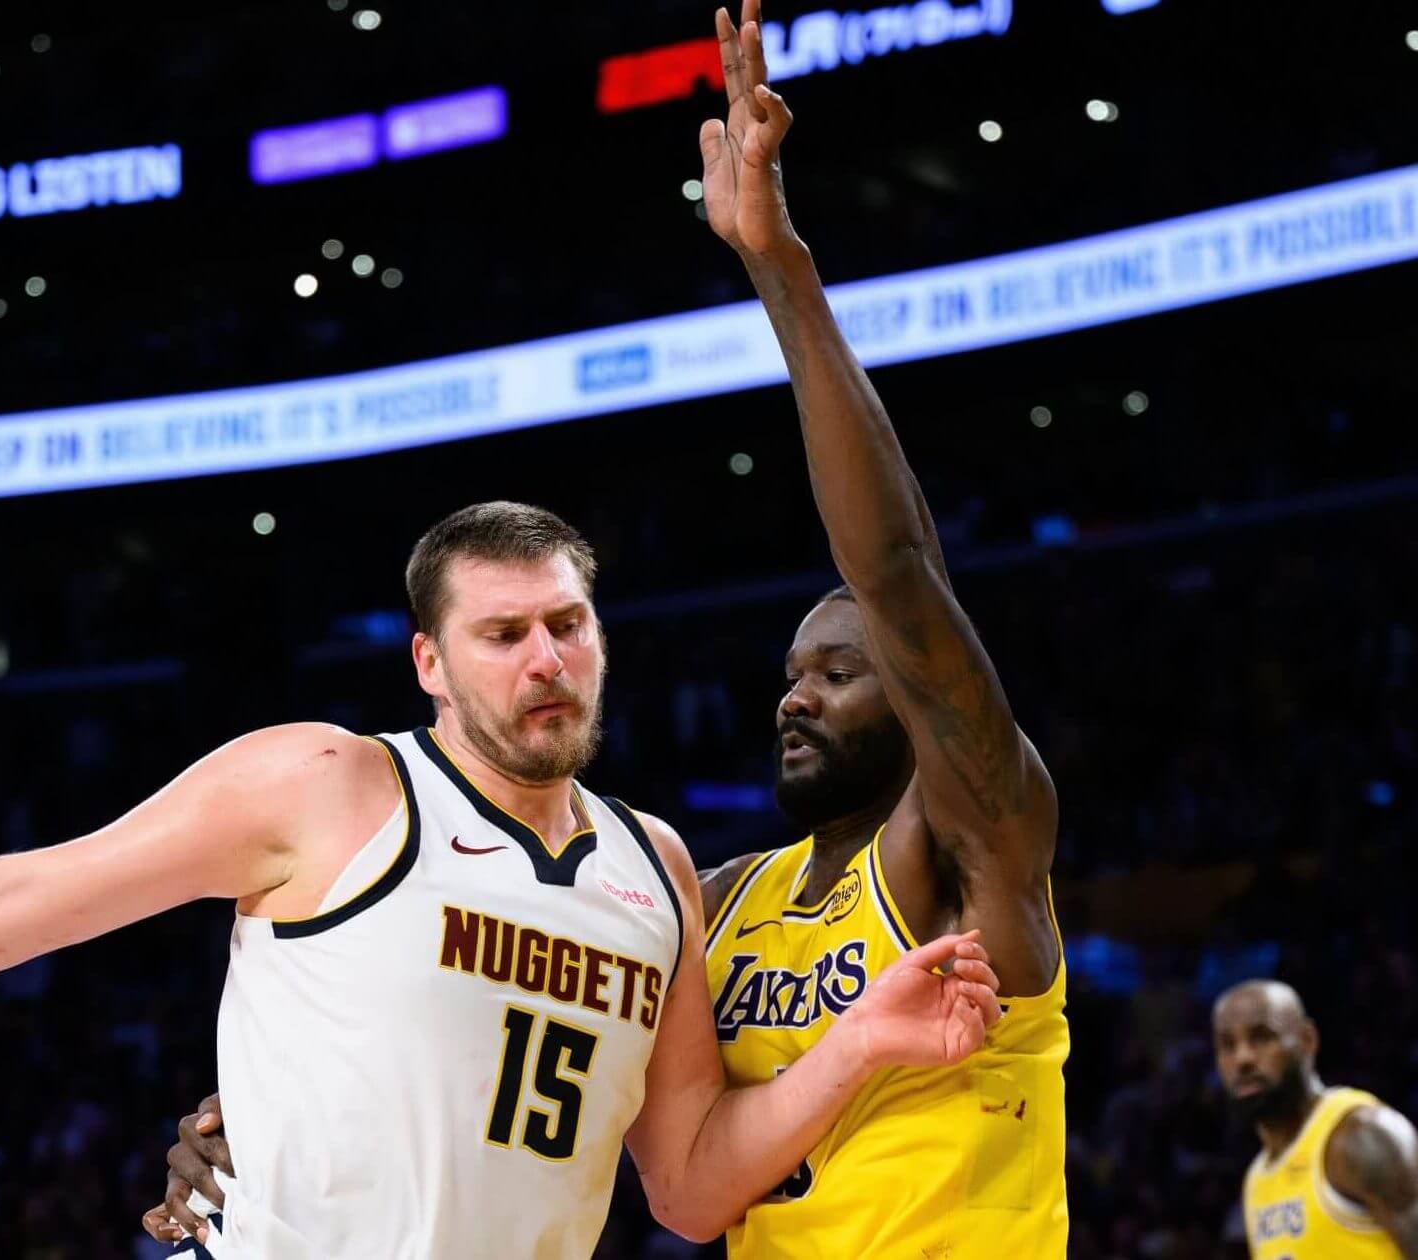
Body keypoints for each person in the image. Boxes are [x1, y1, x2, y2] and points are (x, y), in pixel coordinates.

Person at [148, 6, 1072, 1255]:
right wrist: (271, 1119)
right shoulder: (711, 901)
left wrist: (778, 268)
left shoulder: (977, 850)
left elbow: (900, 576)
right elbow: (512, 1062)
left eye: (841, 673)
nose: (794, 698)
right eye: (791, 674)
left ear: (917, 699)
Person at [0, 500, 1006, 1259]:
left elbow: (685, 1182)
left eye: (566, 623)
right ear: (429, 664)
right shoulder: (326, 783)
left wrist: (861, 1043)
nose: (547, 658)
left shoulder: (657, 868)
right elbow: (6, 904)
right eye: (502, 634)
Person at [1212, 980, 1418, 1260]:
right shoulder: (1257, 1179)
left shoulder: (1361, 1136)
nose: (1242, 1058)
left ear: (1307, 1040)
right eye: (1227, 1046)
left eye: (1262, 1038)